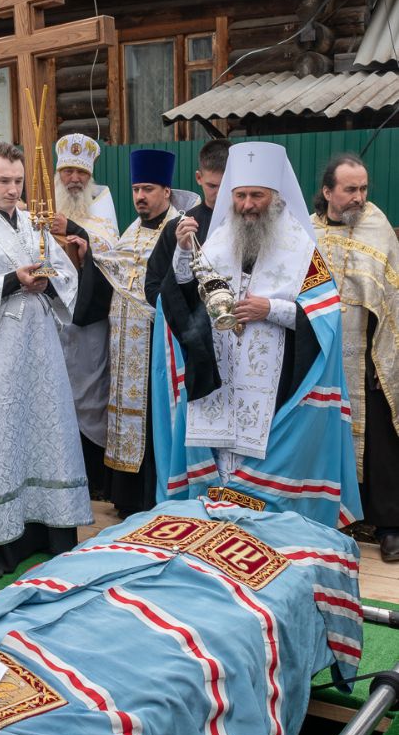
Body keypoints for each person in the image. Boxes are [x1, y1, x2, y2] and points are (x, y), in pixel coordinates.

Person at [152, 141, 361, 529]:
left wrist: (272, 309)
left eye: (257, 196)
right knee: (216, 489)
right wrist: (182, 252)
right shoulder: (217, 241)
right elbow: (181, 299)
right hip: (220, 384)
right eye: (241, 195)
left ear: (275, 197)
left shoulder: (302, 249)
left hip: (278, 389)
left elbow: (326, 316)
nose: (247, 205)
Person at [0, 141, 93, 578]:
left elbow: (65, 276)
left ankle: (53, 532)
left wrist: (48, 282)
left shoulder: (35, 224)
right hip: (0, 349)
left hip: (42, 348)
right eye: (3, 180)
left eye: (18, 181)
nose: (12, 189)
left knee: (49, 428)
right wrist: (12, 280)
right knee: (0, 434)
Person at [97, 148, 198, 516]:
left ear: (166, 192)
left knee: (156, 415)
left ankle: (152, 496)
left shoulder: (179, 229)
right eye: (136, 189)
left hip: (159, 343)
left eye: (148, 189)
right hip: (124, 344)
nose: (140, 196)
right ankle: (126, 497)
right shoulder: (131, 231)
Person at [312, 154, 399, 559]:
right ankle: (334, 518)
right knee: (326, 437)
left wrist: (385, 357)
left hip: (367, 355)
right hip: (319, 356)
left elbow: (393, 297)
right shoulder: (307, 232)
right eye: (350, 189)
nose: (359, 198)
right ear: (328, 191)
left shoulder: (378, 228)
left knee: (380, 441)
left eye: (363, 189)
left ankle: (389, 525)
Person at [50, 133, 119, 497]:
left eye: (81, 172)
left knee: (92, 395)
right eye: (68, 171)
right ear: (58, 174)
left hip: (90, 323)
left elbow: (108, 252)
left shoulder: (102, 205)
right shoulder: (45, 208)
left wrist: (76, 233)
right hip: (54, 322)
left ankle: (94, 478)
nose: (74, 179)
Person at [145, 138, 230, 308]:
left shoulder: (251, 224)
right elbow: (152, 287)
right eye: (212, 186)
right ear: (199, 177)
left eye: (226, 185)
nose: (219, 193)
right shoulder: (177, 227)